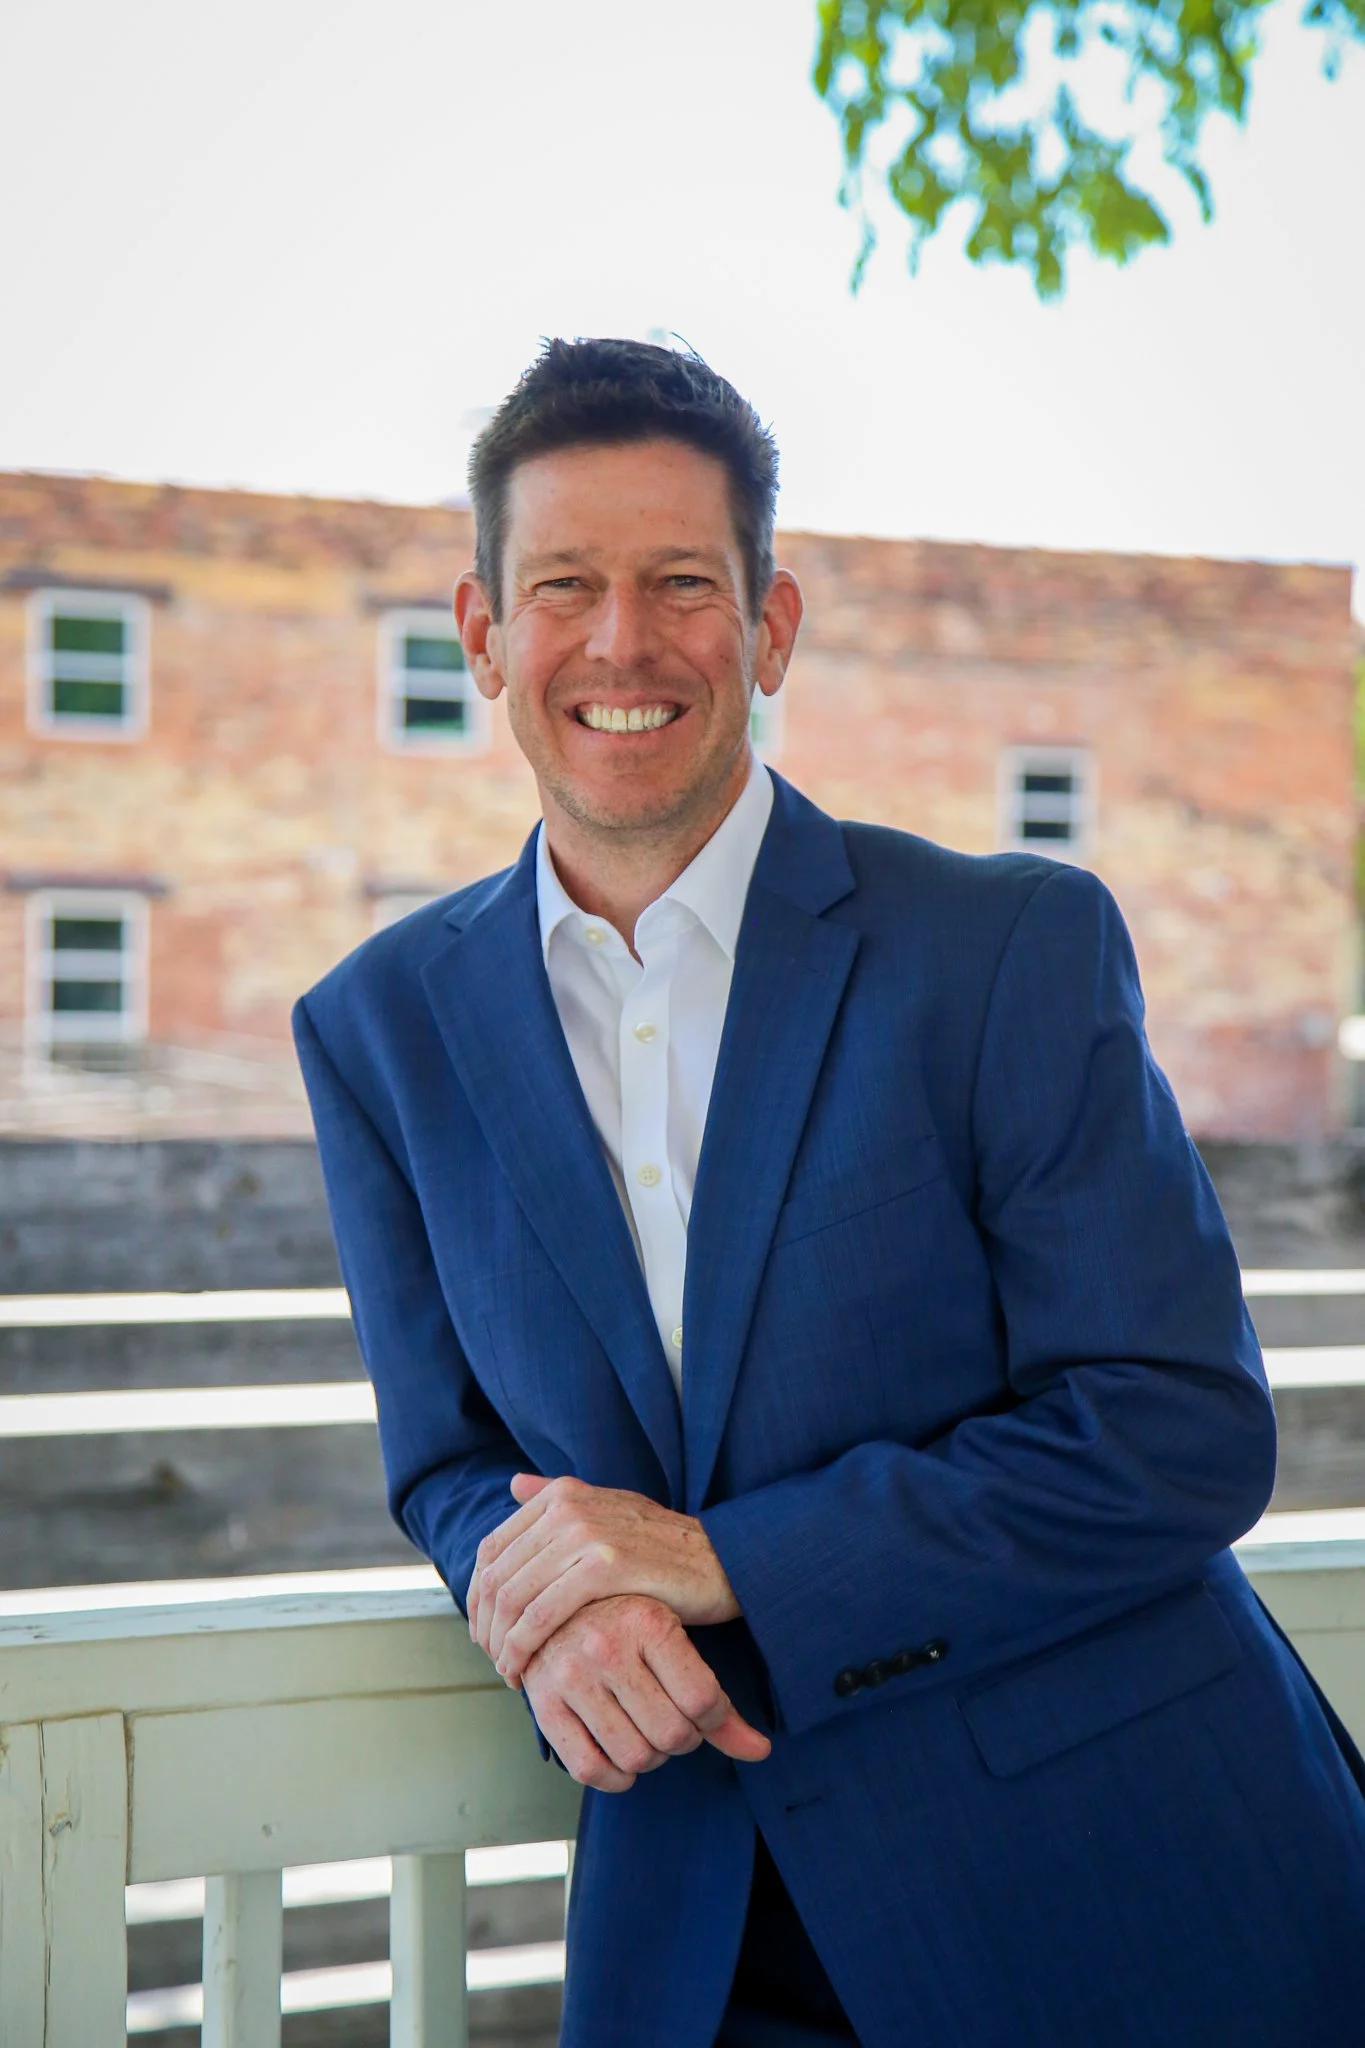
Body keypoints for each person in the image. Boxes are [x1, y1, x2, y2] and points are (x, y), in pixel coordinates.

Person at [294, 338, 1365, 2048]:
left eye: (682, 586)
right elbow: (448, 1462)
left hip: (1124, 1889)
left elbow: (1178, 1430)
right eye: (564, 585)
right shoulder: (374, 1032)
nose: (621, 644)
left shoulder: (1003, 950)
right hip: (699, 1929)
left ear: (769, 625)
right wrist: (544, 1614)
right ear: (484, 633)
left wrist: (724, 1560)